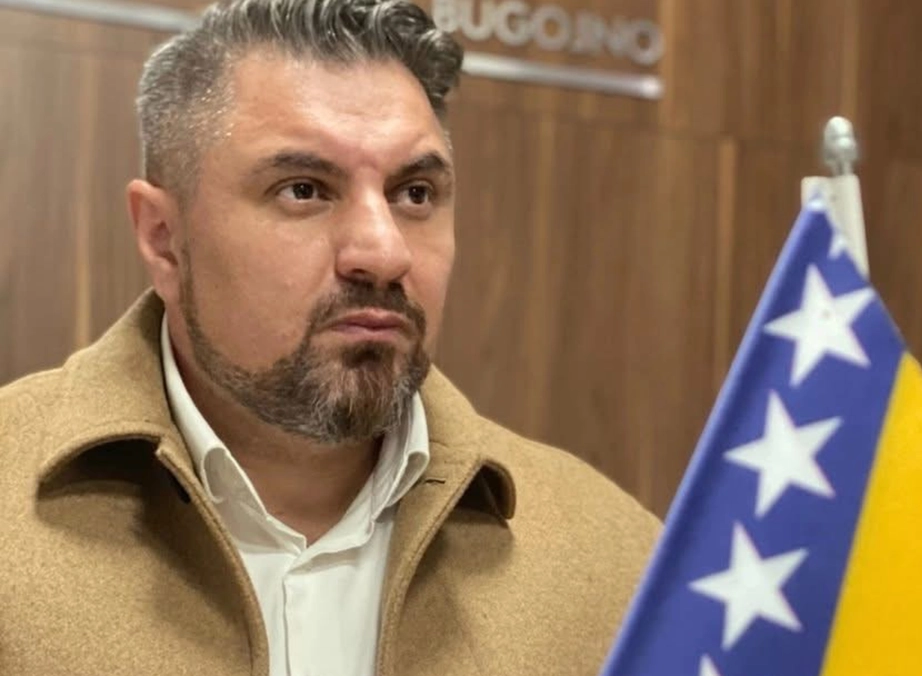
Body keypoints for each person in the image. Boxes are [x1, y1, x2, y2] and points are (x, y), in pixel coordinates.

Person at [0, 1, 660, 673]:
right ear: (165, 240)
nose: (384, 253)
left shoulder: (621, 568)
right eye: (304, 190)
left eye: (415, 194)